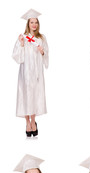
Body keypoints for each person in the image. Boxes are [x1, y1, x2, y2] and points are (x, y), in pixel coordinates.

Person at [12, 9, 49, 137]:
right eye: (32, 22)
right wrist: (22, 44)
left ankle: (34, 121)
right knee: (26, 96)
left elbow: (46, 55)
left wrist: (42, 51)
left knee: (35, 96)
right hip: (25, 73)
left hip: (37, 73)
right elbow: (17, 58)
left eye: (36, 22)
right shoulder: (23, 37)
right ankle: (27, 123)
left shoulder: (41, 38)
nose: (34, 24)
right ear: (28, 23)